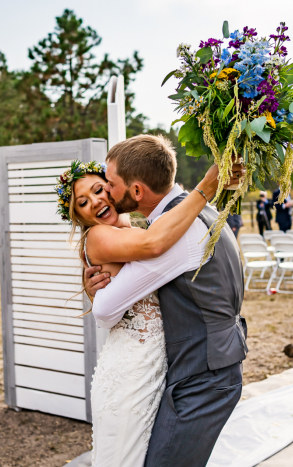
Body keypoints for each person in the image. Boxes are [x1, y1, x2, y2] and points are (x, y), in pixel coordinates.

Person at [58, 150, 236, 467]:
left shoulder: (135, 225)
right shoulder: (100, 235)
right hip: (131, 371)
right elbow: (153, 244)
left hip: (159, 367)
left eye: (99, 189)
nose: (95, 202)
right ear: (78, 215)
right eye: (82, 202)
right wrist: (205, 188)